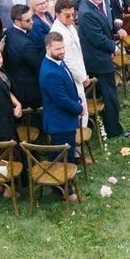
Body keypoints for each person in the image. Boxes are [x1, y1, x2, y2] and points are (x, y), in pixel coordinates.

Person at [77, 0, 126, 139]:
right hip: (97, 59)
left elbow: (105, 24)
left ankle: (111, 115)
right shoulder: (87, 12)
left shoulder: (94, 5)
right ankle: (114, 130)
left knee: (108, 92)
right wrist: (113, 46)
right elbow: (96, 37)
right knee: (109, 92)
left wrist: (114, 30)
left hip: (99, 55)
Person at [37, 33, 85, 184]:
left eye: (63, 47)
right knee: (62, 158)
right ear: (48, 48)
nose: (62, 51)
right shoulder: (50, 71)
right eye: (58, 49)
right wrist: (79, 108)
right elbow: (61, 99)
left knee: (66, 155)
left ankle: (65, 184)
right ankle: (64, 189)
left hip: (64, 119)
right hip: (60, 122)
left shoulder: (58, 61)